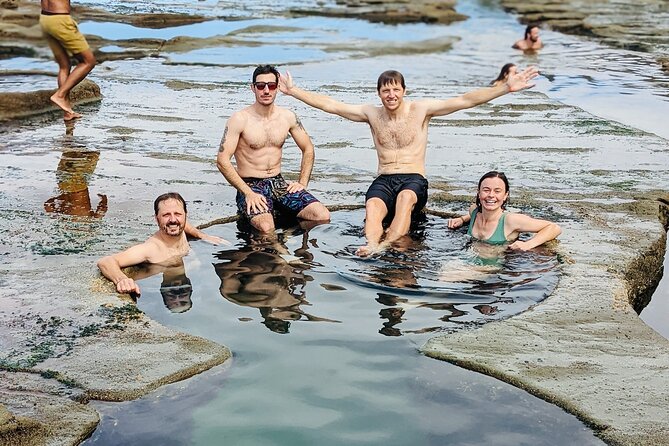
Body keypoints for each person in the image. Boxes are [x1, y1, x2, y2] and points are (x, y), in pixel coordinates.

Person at [279, 66, 539, 256]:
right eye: (385, 91)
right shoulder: (371, 113)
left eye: (395, 89)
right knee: (372, 206)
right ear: (379, 93)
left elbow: (464, 100)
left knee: (404, 200)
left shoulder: (420, 110)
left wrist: (505, 87)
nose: (391, 95)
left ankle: (384, 245)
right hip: (384, 177)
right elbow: (331, 105)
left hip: (413, 179)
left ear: (404, 90)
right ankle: (371, 245)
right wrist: (293, 91)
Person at [217, 64, 331, 234]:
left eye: (271, 85)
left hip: (278, 183)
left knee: (321, 215)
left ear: (277, 87)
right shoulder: (240, 119)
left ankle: (288, 235)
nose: (266, 91)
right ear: (253, 88)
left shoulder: (287, 116)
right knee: (266, 227)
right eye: (261, 86)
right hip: (250, 185)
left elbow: (308, 148)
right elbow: (222, 160)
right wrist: (248, 193)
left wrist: (302, 183)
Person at [97, 192, 226, 296]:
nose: (173, 220)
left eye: (177, 214)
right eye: (166, 215)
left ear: (185, 216)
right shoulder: (151, 249)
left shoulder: (181, 231)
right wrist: (122, 279)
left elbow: (184, 225)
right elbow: (106, 261)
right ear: (156, 219)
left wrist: (203, 235)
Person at [447, 171, 561, 250]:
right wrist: (462, 219)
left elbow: (554, 227)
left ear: (505, 195)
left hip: (492, 269)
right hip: (468, 258)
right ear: (479, 192)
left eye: (497, 191)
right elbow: (473, 213)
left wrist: (528, 244)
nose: (491, 195)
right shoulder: (474, 211)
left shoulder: (510, 220)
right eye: (486, 190)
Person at [39, 0, 96, 121]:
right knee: (88, 62)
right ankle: (59, 95)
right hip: (60, 20)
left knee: (64, 65)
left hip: (45, 18)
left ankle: (67, 112)